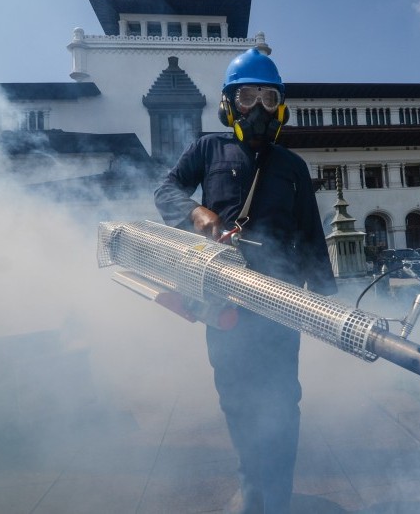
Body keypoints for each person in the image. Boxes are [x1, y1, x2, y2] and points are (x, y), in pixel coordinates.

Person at [154, 48, 337, 514]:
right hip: (224, 298)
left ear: (282, 107)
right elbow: (166, 189)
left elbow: (313, 237)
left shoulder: (293, 166)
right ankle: (250, 482)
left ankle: (277, 494)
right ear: (227, 105)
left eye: (268, 97)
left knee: (281, 398)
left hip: (281, 302)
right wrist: (197, 212)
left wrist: (328, 304)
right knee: (235, 394)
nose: (257, 108)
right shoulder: (207, 150)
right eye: (247, 96)